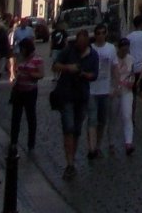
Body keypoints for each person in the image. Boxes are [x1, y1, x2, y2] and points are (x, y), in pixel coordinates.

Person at [52, 26, 98, 180]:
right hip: (67, 95)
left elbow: (94, 75)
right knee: (69, 128)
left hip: (82, 96)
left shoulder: (93, 56)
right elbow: (55, 65)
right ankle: (70, 163)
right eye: (79, 44)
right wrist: (68, 68)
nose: (80, 47)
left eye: (83, 45)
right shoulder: (69, 51)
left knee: (76, 129)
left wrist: (83, 73)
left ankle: (71, 159)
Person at [8, 36, 44, 152]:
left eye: (23, 48)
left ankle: (31, 143)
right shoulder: (21, 58)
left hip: (30, 91)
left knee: (30, 117)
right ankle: (13, 141)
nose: (21, 51)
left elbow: (41, 74)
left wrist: (30, 74)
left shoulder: (37, 59)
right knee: (16, 118)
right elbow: (16, 70)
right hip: (19, 90)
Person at [86, 22, 115, 159]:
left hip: (105, 89)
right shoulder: (90, 49)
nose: (101, 36)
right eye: (98, 33)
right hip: (91, 90)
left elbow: (114, 68)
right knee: (92, 119)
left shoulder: (111, 48)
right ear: (95, 35)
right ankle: (91, 148)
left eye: (103, 33)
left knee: (102, 120)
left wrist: (115, 86)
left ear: (106, 34)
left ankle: (97, 145)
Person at [113, 37, 136, 156]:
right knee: (113, 118)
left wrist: (131, 81)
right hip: (115, 92)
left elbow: (132, 74)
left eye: (126, 50)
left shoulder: (131, 59)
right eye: (123, 49)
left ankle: (128, 143)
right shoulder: (114, 59)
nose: (125, 52)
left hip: (127, 91)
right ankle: (111, 141)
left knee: (127, 115)